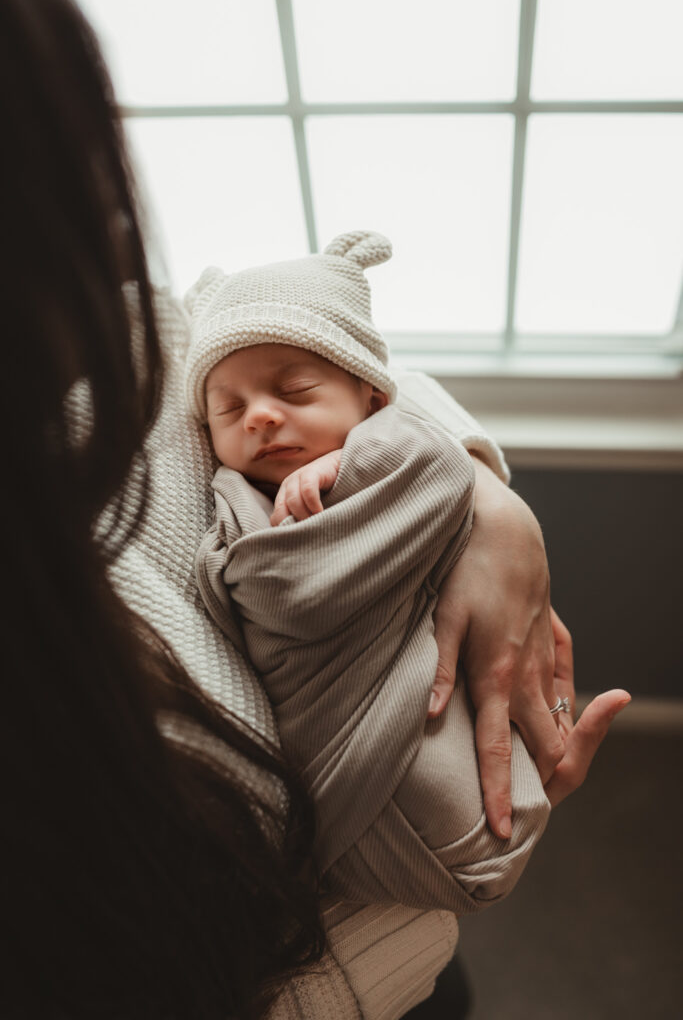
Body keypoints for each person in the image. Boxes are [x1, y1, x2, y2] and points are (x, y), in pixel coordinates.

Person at [1, 0, 630, 1016]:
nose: (117, 225)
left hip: (406, 931)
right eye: (75, 192)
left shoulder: (113, 330)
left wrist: (472, 492)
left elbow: (276, 334)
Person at [186, 230, 551, 913]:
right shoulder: (234, 504)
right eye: (227, 410)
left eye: (293, 389)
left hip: (417, 711)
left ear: (372, 403)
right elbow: (261, 591)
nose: (261, 416)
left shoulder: (396, 443)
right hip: (340, 780)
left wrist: (362, 460)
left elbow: (431, 464)